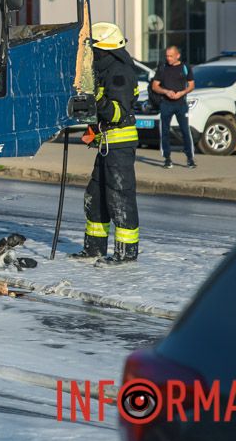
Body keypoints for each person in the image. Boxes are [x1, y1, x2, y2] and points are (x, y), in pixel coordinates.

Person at [72, 22, 141, 265]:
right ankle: (94, 249)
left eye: (95, 49)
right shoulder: (105, 71)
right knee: (96, 196)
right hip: (105, 144)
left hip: (119, 144)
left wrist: (96, 99)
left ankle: (125, 254)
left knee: (120, 198)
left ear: (106, 49)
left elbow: (117, 113)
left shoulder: (119, 73)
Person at [152, 45, 196, 169]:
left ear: (178, 55)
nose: (168, 58)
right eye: (167, 56)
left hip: (181, 104)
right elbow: (155, 86)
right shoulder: (162, 67)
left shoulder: (185, 67)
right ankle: (167, 158)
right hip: (166, 104)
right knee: (164, 131)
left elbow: (192, 85)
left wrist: (181, 93)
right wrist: (166, 92)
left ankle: (190, 158)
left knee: (185, 131)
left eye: (171, 56)